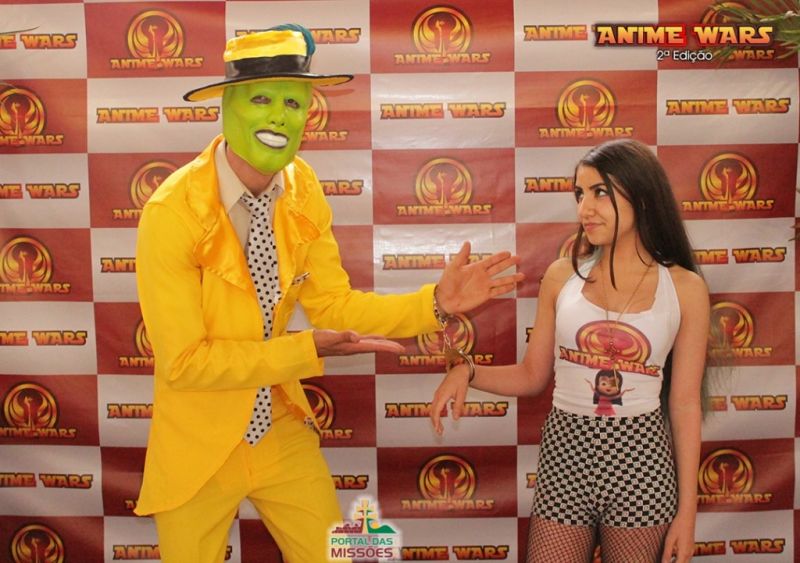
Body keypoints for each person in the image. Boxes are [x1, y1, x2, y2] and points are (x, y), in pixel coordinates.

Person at [134, 24, 523, 563]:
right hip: (196, 442)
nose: (279, 116)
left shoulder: (302, 187)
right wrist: (305, 349)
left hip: (278, 425)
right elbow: (184, 363)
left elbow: (334, 305)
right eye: (262, 99)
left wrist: (434, 303)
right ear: (226, 105)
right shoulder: (171, 212)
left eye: (293, 102)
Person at [431, 139, 709, 563]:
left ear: (642, 197)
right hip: (565, 454)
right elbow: (531, 376)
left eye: (600, 192)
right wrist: (465, 371)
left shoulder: (686, 289)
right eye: (580, 194)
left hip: (643, 463)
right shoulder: (562, 277)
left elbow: (685, 404)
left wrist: (687, 514)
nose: (585, 209)